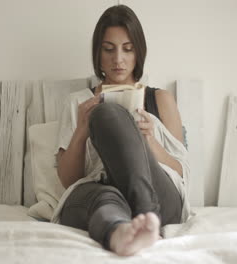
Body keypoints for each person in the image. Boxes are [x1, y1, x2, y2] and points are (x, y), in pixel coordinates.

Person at [53, 4, 190, 256]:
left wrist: (149, 142)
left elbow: (182, 172)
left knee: (108, 114)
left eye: (127, 49)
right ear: (98, 54)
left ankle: (145, 211)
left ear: (139, 52)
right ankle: (118, 234)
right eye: (109, 49)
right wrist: (83, 129)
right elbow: (68, 181)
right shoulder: (78, 103)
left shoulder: (161, 100)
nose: (118, 59)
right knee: (105, 200)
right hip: (101, 191)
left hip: (159, 197)